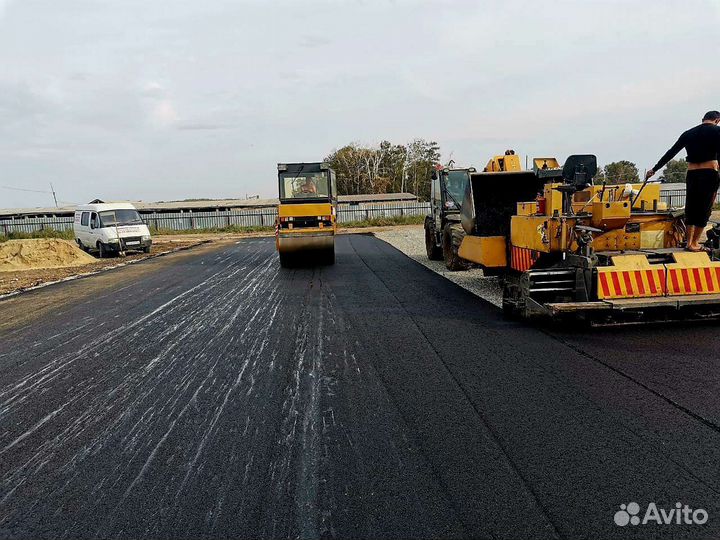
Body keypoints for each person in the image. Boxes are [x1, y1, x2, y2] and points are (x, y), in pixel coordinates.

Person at [646, 111, 720, 251]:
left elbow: (671, 152)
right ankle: (695, 243)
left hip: (692, 174)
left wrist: (655, 169)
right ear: (717, 120)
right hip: (709, 173)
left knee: (691, 208)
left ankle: (688, 242)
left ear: (703, 119)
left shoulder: (688, 133)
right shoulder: (717, 131)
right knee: (705, 209)